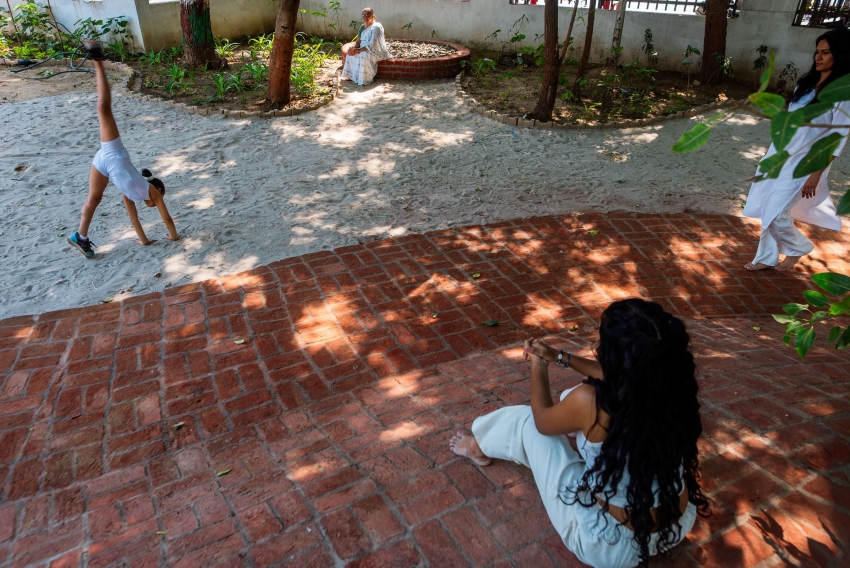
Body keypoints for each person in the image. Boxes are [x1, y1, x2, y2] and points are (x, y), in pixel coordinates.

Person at [450, 299, 709, 568]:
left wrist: (539, 365)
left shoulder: (590, 402)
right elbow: (619, 373)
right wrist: (560, 356)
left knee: (527, 423)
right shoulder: (674, 385)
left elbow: (542, 421)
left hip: (611, 546)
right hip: (676, 525)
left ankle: (478, 446)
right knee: (574, 399)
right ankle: (579, 432)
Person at [743, 28, 850, 271]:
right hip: (782, 155)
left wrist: (816, 174)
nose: (818, 57)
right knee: (767, 204)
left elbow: (838, 136)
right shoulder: (807, 83)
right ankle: (766, 257)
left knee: (776, 210)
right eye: (817, 52)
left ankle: (798, 247)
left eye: (825, 53)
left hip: (808, 162)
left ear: (840, 55)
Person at [67, 41, 178, 259]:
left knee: (94, 198)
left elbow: (134, 220)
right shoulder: (151, 191)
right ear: (158, 191)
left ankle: (80, 236)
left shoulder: (130, 196)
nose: (153, 205)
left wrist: (145, 241)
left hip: (104, 162)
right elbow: (167, 219)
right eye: (157, 202)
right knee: (104, 109)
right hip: (113, 153)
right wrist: (174, 236)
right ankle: (97, 59)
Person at [340, 7, 391, 86]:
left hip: (375, 50)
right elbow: (358, 42)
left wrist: (358, 50)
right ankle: (353, 76)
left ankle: (364, 79)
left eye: (367, 15)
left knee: (363, 55)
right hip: (363, 48)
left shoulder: (376, 27)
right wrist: (353, 48)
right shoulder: (362, 27)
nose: (365, 17)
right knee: (350, 54)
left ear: (373, 15)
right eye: (363, 15)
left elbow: (372, 45)